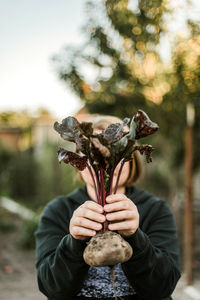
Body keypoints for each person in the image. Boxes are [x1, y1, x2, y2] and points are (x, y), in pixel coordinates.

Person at [35, 115, 181, 300]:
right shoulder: (58, 211)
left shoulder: (156, 209)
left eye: (114, 151)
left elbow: (163, 287)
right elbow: (51, 288)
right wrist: (75, 241)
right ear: (77, 162)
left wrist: (134, 236)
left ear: (130, 159)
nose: (103, 161)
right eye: (91, 153)